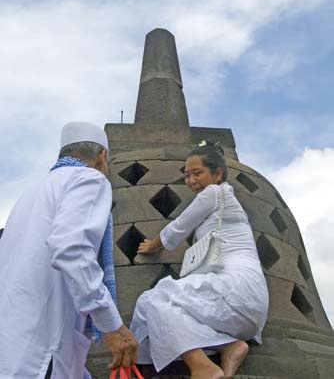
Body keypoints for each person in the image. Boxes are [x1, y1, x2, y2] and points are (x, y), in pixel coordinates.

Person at [0, 122, 138, 379]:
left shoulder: (33, 192)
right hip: (42, 349)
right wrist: (110, 324)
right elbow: (71, 248)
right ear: (102, 156)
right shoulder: (89, 178)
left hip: (14, 341)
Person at [130, 142, 269, 379]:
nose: (191, 180)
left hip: (234, 292)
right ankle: (230, 347)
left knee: (153, 299)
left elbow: (179, 226)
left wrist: (152, 245)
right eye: (186, 175)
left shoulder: (214, 193)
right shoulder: (230, 204)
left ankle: (201, 367)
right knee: (162, 307)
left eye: (197, 173)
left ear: (217, 174)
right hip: (250, 313)